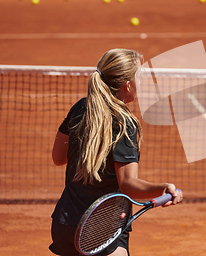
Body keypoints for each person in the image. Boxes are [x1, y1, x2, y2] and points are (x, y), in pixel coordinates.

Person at [49, 48, 183, 256]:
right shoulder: (124, 124)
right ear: (127, 85)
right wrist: (163, 188)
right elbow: (128, 185)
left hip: (64, 225)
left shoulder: (80, 108)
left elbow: (58, 158)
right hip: (102, 230)